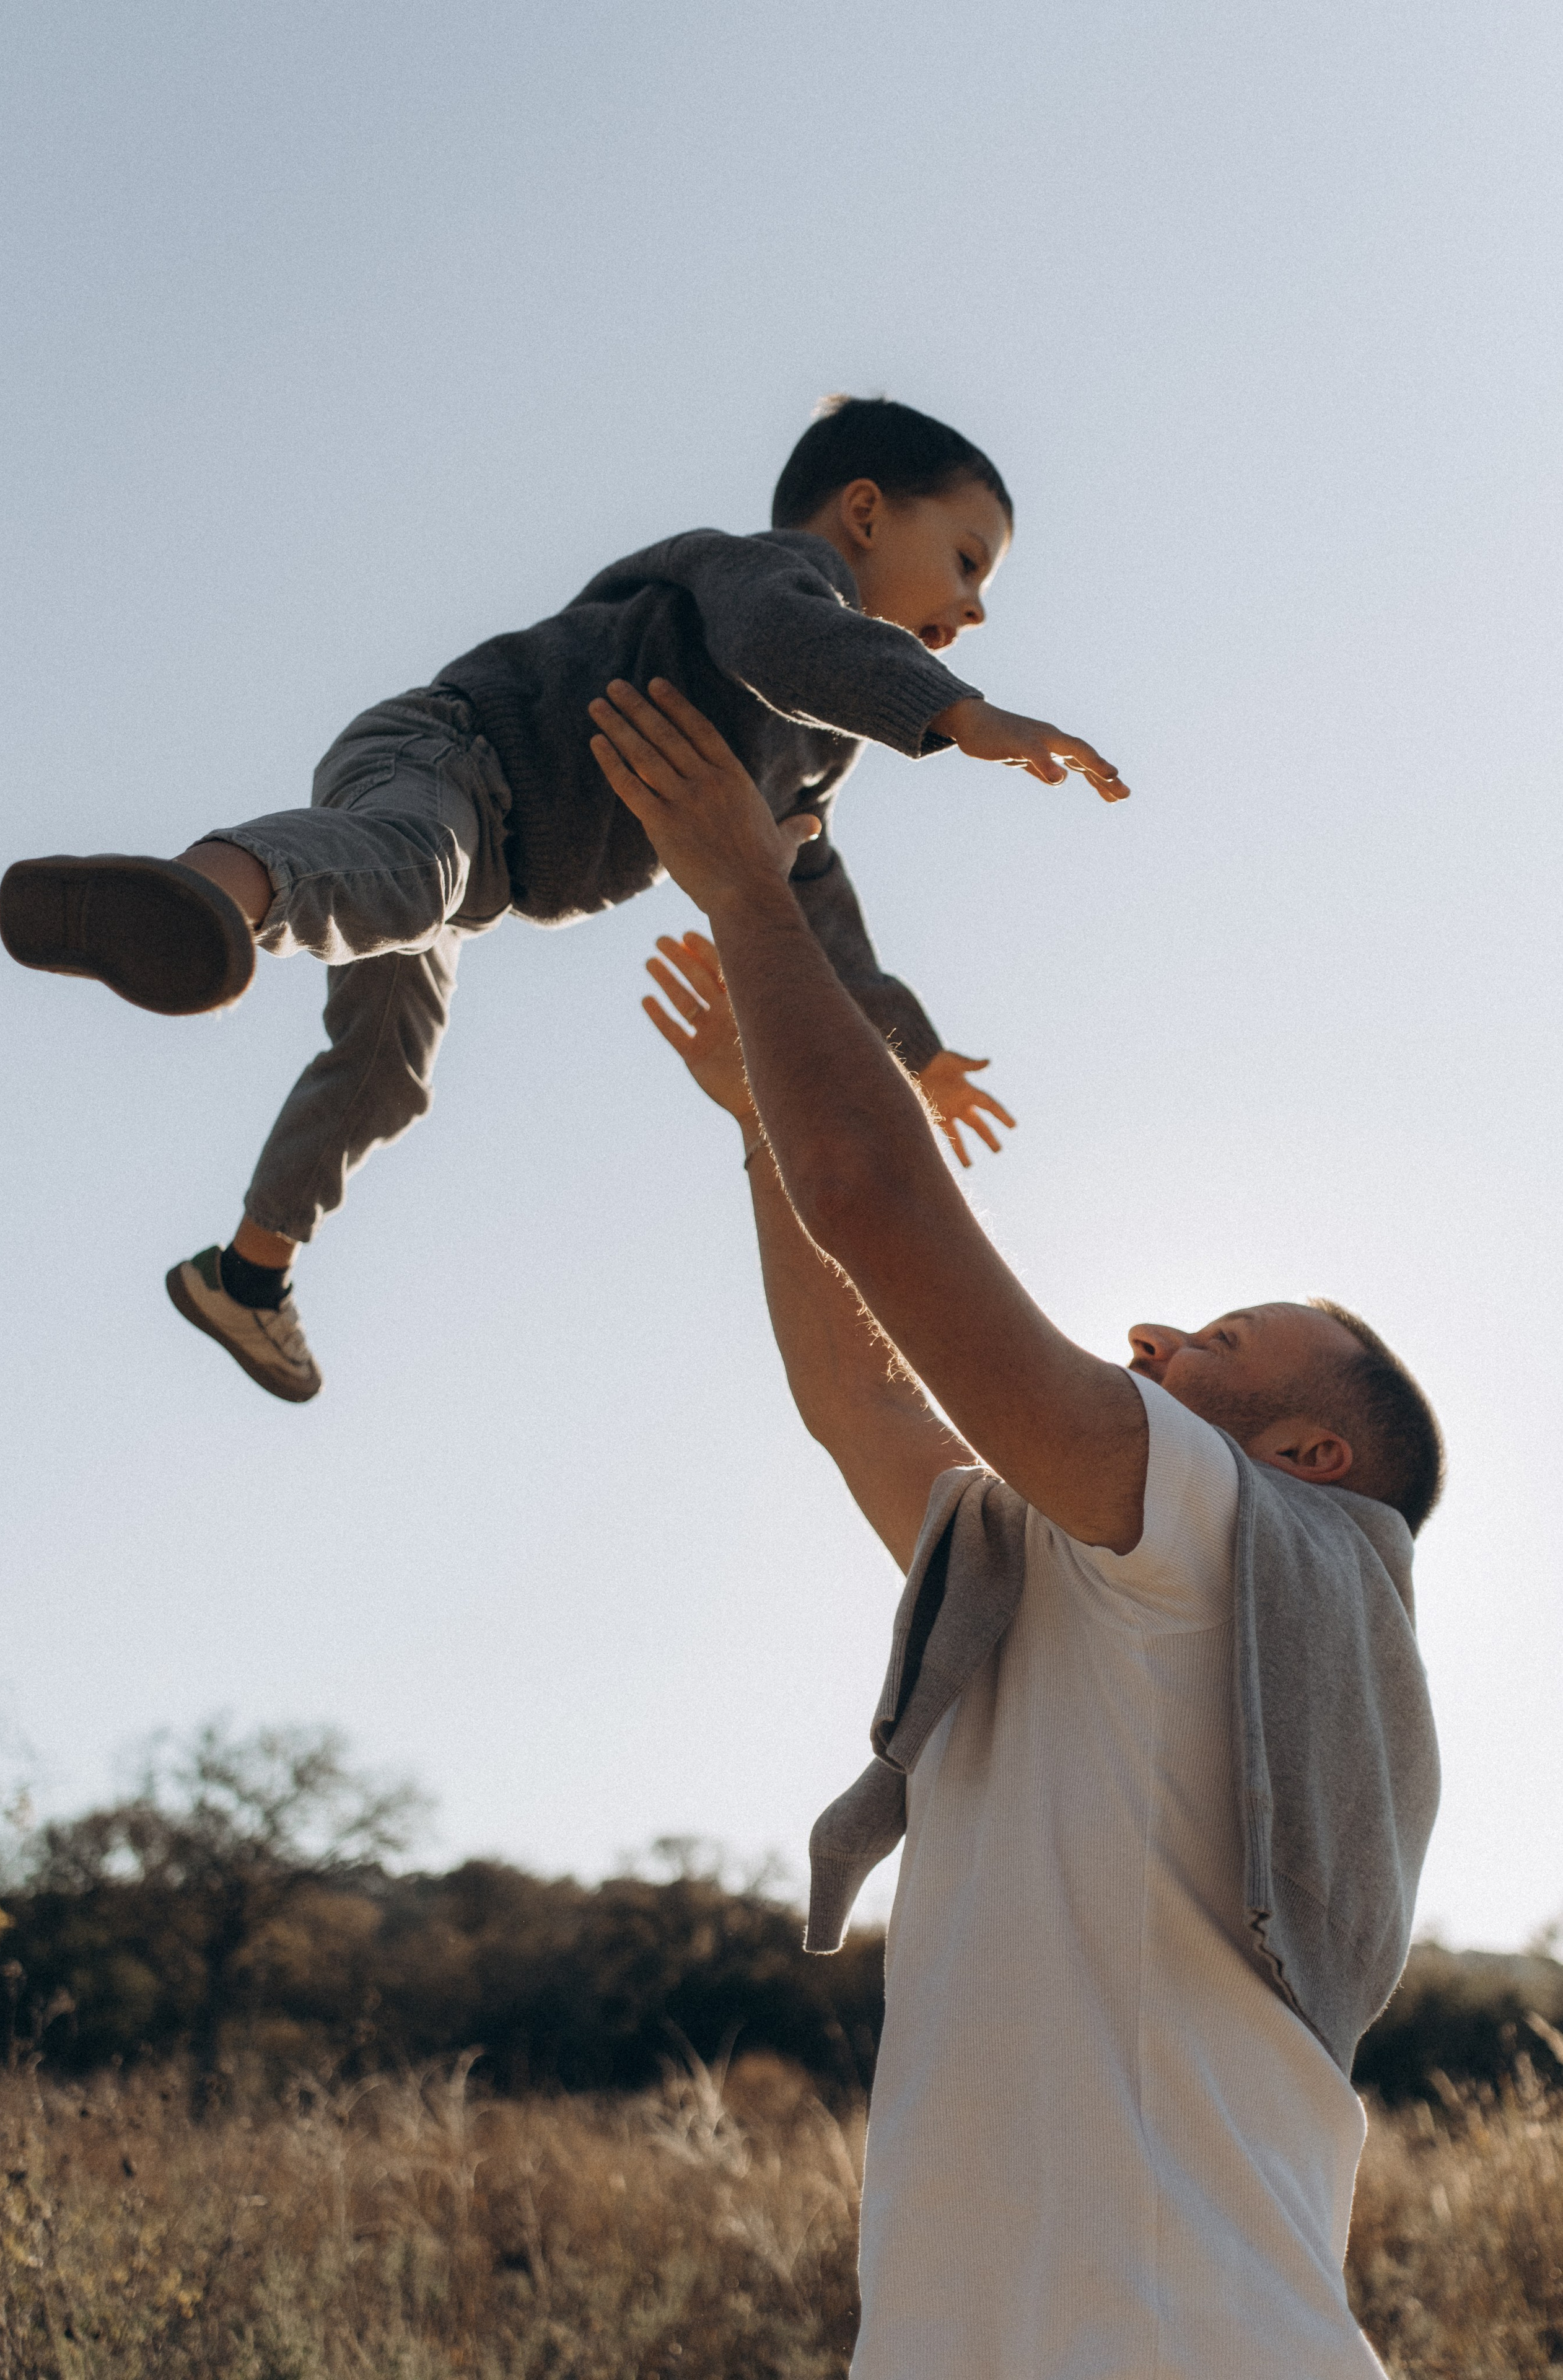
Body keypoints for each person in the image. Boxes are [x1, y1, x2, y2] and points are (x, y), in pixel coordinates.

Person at [603, 675, 1442, 2378]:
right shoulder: (1074, 1584)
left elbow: (885, 1205)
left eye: (1213, 1341)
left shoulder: (1238, 1537)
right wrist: (768, 1126)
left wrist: (756, 897)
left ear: (1303, 1446)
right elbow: (861, 1402)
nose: (1147, 1338)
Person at [0, 396, 1126, 1403]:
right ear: (867, 511)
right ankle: (201, 893)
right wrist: (959, 715)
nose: (976, 606)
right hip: (450, 763)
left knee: (389, 1068)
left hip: (470, 874)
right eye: (969, 560)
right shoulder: (757, 573)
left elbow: (815, 901)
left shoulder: (819, 757)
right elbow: (787, 644)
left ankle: (244, 1276)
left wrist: (914, 1051)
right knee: (407, 868)